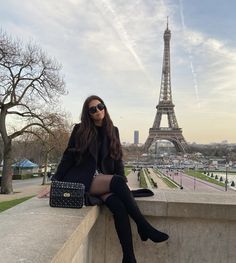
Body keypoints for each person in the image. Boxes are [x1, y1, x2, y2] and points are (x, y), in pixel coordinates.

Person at [39, 95, 169, 263]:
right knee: (116, 182)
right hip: (84, 179)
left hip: (102, 181)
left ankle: (129, 257)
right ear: (89, 114)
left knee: (119, 207)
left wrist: (122, 181)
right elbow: (67, 158)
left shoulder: (113, 130)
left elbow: (117, 159)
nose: (98, 110)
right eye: (93, 109)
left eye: (100, 106)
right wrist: (55, 183)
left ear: (105, 107)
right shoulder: (80, 130)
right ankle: (144, 226)